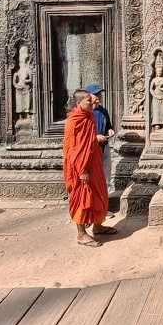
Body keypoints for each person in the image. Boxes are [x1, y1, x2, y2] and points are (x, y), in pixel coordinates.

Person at [62, 89, 111, 247]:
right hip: (80, 167)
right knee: (82, 199)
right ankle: (81, 234)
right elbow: (73, 149)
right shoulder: (73, 121)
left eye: (92, 100)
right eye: (88, 101)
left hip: (93, 162)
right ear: (78, 103)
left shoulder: (89, 116)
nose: (93, 103)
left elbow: (88, 142)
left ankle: (98, 226)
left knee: (99, 193)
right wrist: (81, 170)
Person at [85, 84, 115, 192]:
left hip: (104, 147)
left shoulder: (103, 111)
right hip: (90, 148)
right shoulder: (85, 112)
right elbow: (80, 134)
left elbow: (109, 126)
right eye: (96, 94)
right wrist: (95, 137)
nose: (98, 97)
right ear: (88, 96)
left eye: (99, 94)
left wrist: (110, 130)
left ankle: (105, 200)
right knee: (92, 176)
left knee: (106, 174)